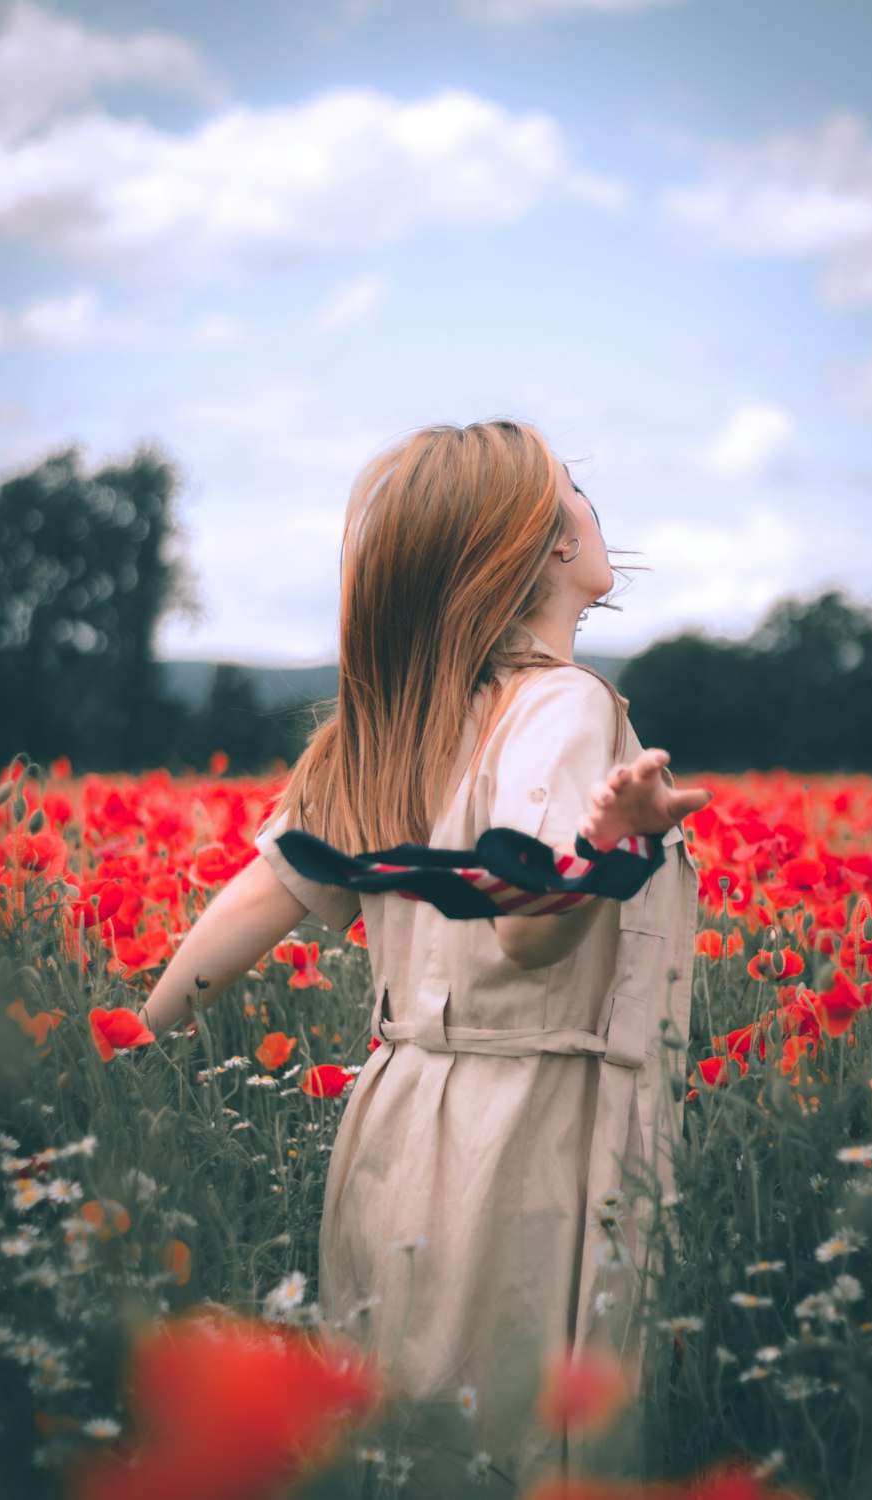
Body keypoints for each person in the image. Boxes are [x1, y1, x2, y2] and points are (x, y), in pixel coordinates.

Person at [138, 420, 710, 1496]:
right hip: (530, 1137)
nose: (593, 508)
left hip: (397, 1122)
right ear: (536, 542)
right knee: (527, 1455)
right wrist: (605, 846)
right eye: (573, 489)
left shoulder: (399, 723)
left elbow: (254, 901)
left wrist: (120, 1043)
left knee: (402, 1443)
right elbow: (529, 930)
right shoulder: (570, 707)